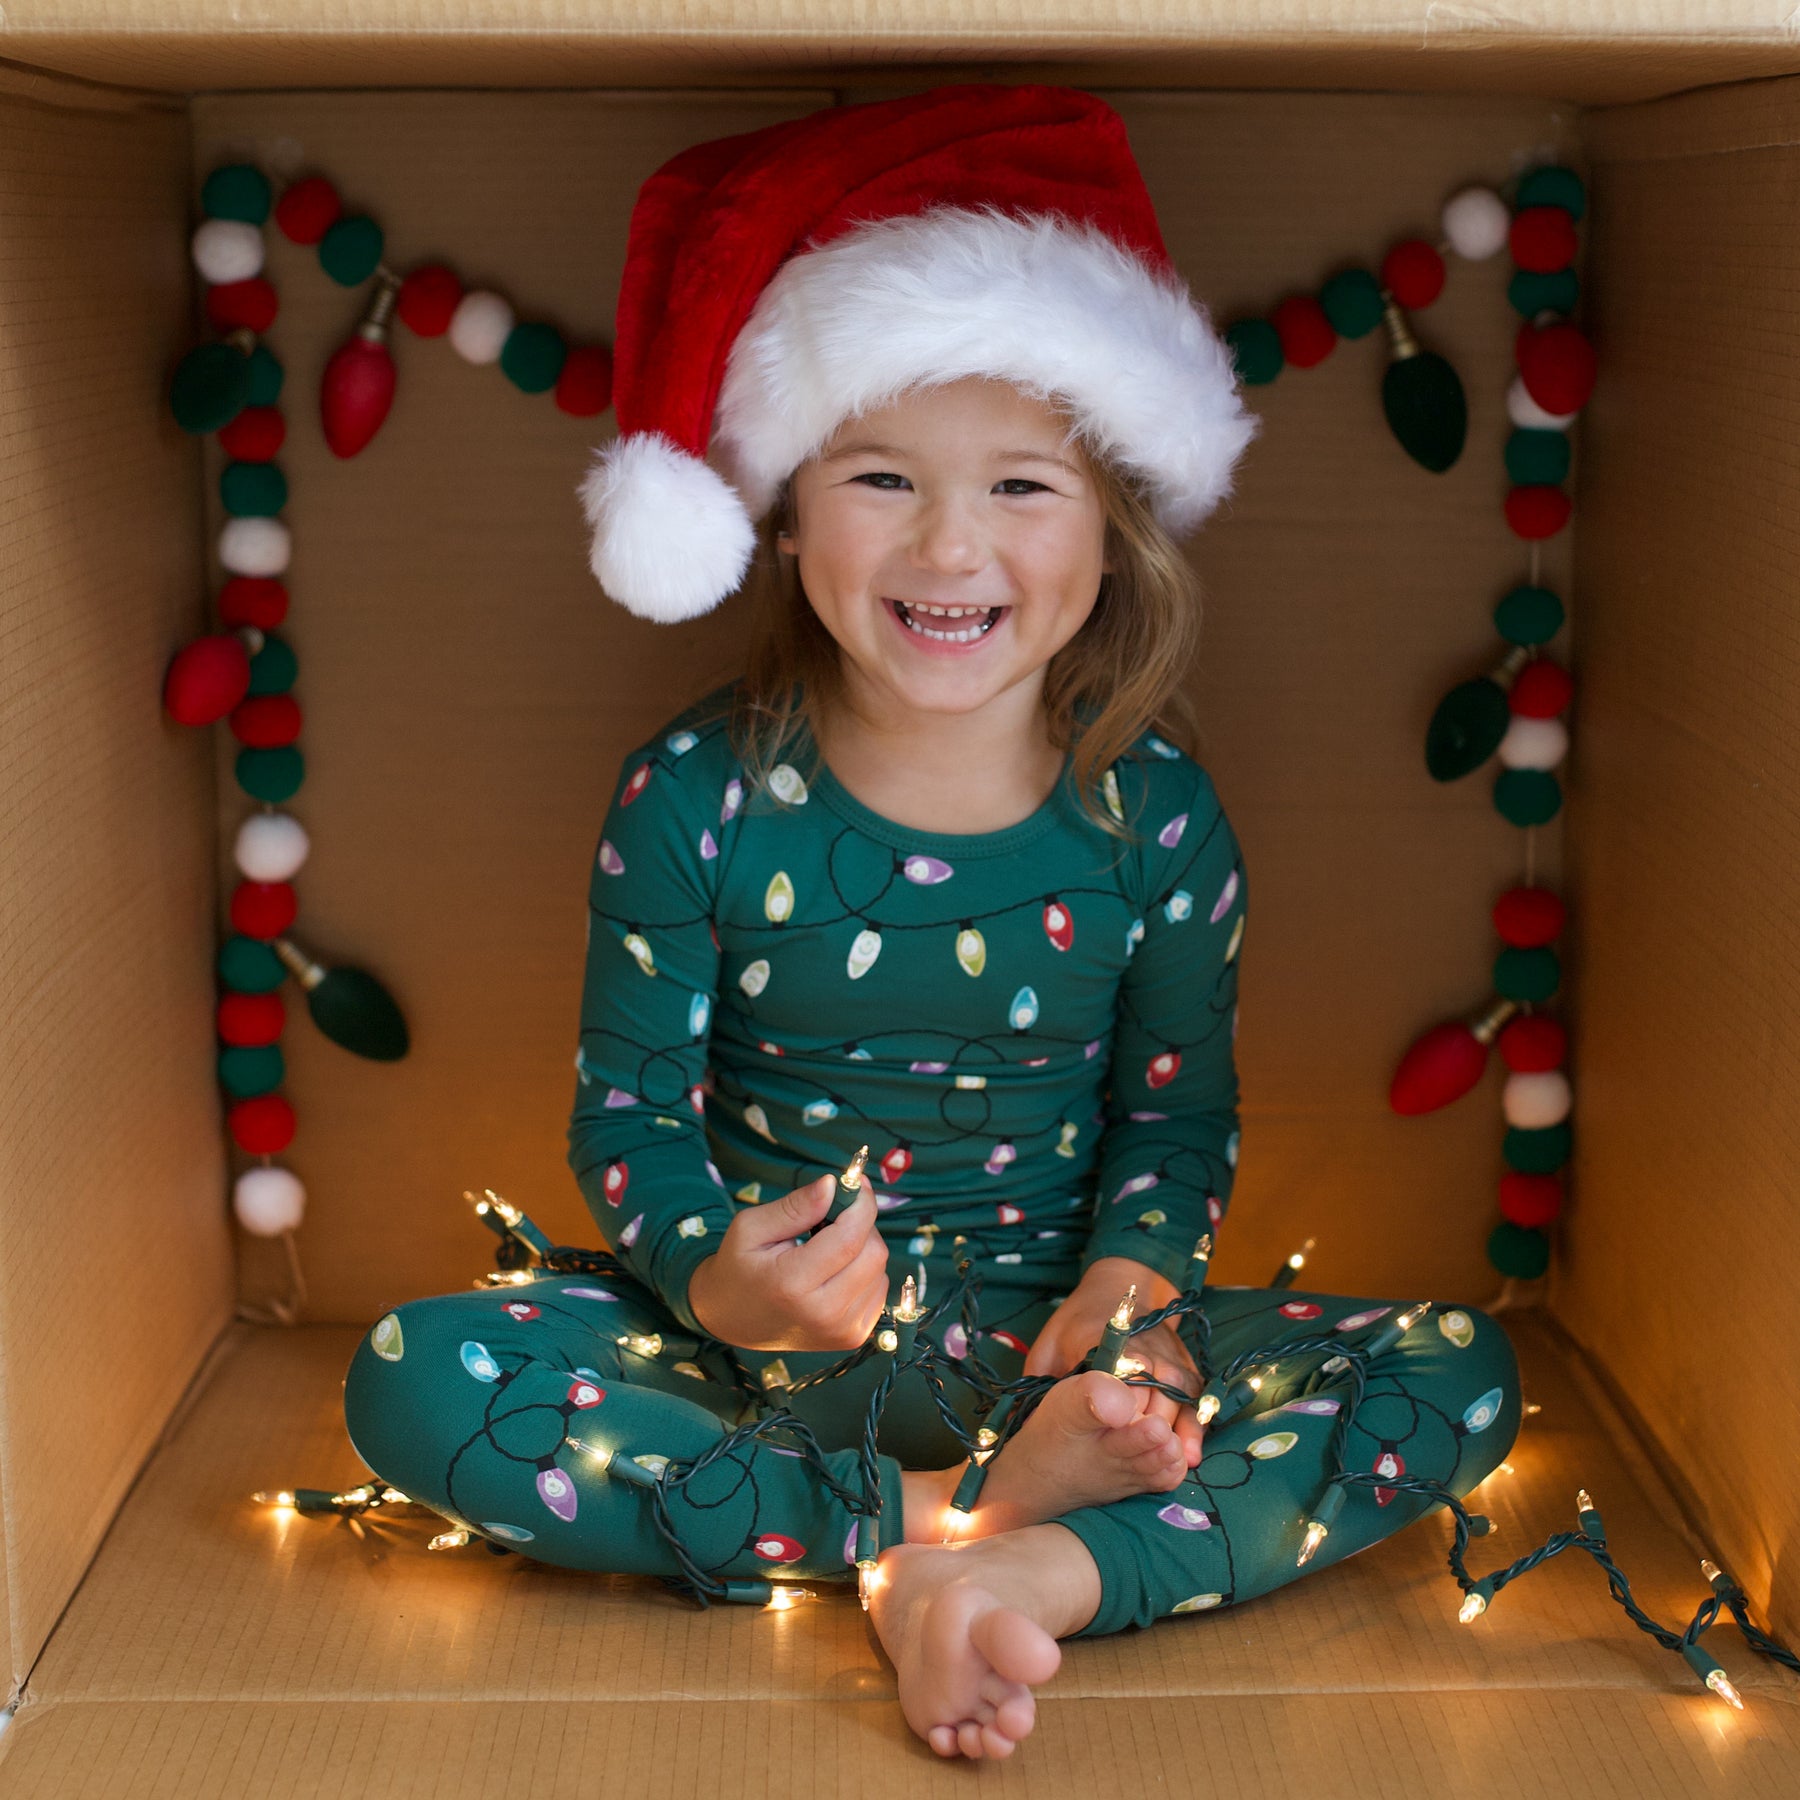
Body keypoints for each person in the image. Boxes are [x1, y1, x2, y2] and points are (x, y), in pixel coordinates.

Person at [342, 82, 1521, 1763]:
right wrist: (714, 1278)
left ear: (1111, 530)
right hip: (743, 1358)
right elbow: (627, 1119)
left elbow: (1174, 1117)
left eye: (1022, 487)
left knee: (1454, 1373)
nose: (950, 545)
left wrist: (1132, 1295)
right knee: (409, 1371)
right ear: (787, 508)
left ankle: (1025, 1560)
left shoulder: (1155, 818)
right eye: (882, 474)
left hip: (1067, 1364)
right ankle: (917, 1535)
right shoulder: (697, 795)